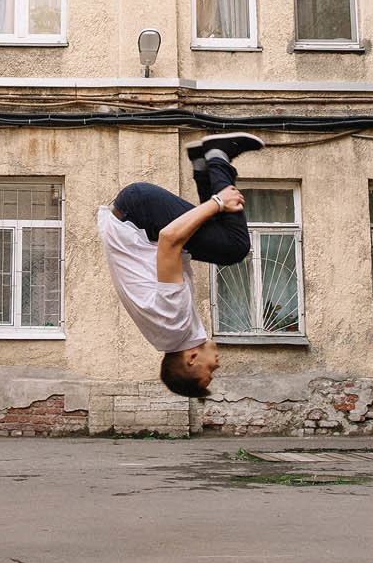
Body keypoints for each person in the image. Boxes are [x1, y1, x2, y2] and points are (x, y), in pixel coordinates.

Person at [98, 133, 263, 400]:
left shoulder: (173, 322)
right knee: (220, 239)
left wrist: (219, 202)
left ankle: (218, 156)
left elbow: (169, 239)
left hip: (141, 214)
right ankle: (203, 163)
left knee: (235, 246)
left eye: (210, 370)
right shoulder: (167, 336)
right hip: (136, 219)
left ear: (191, 359)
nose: (218, 365)